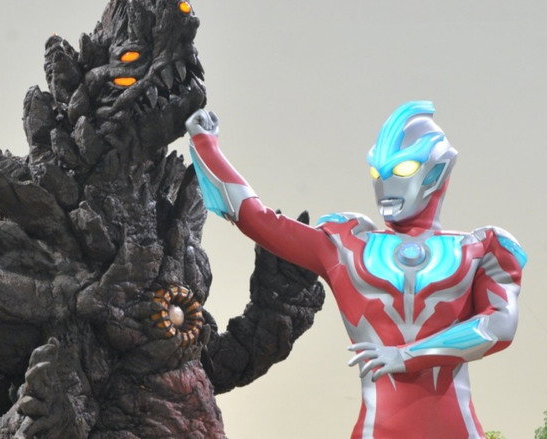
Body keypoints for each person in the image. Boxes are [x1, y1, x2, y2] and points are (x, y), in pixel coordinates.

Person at [186, 101, 526, 439]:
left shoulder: (480, 248)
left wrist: (406, 356)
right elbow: (259, 221)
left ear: (438, 168)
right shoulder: (347, 245)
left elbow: (499, 326)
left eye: (403, 169)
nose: (386, 183)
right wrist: (206, 145)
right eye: (377, 173)